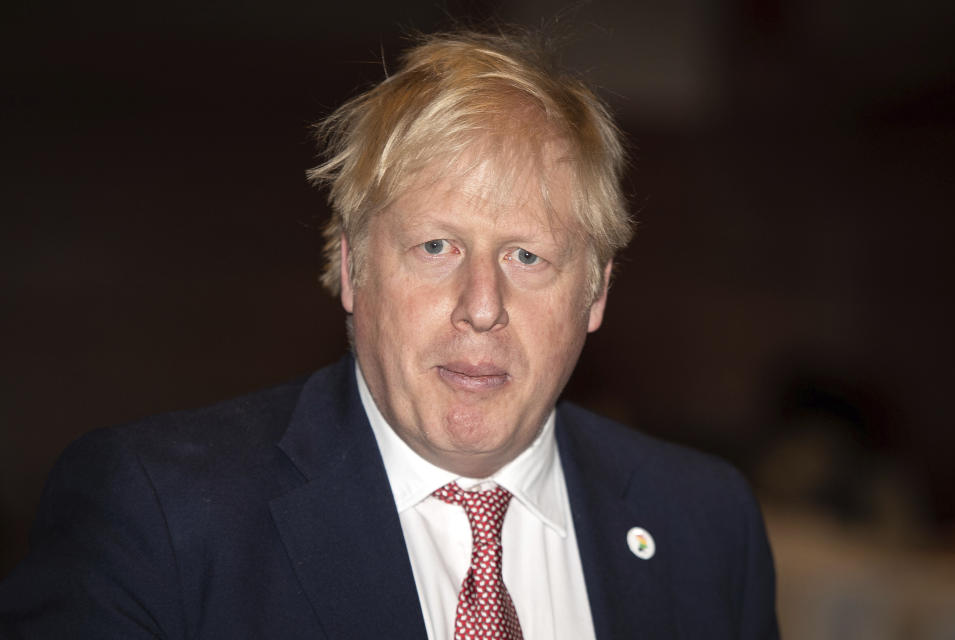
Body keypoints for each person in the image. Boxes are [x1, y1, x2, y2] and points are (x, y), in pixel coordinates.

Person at [0, 29, 778, 639]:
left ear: (597, 292)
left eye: (528, 255)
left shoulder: (706, 524)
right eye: (436, 246)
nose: (482, 305)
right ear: (350, 268)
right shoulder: (159, 518)